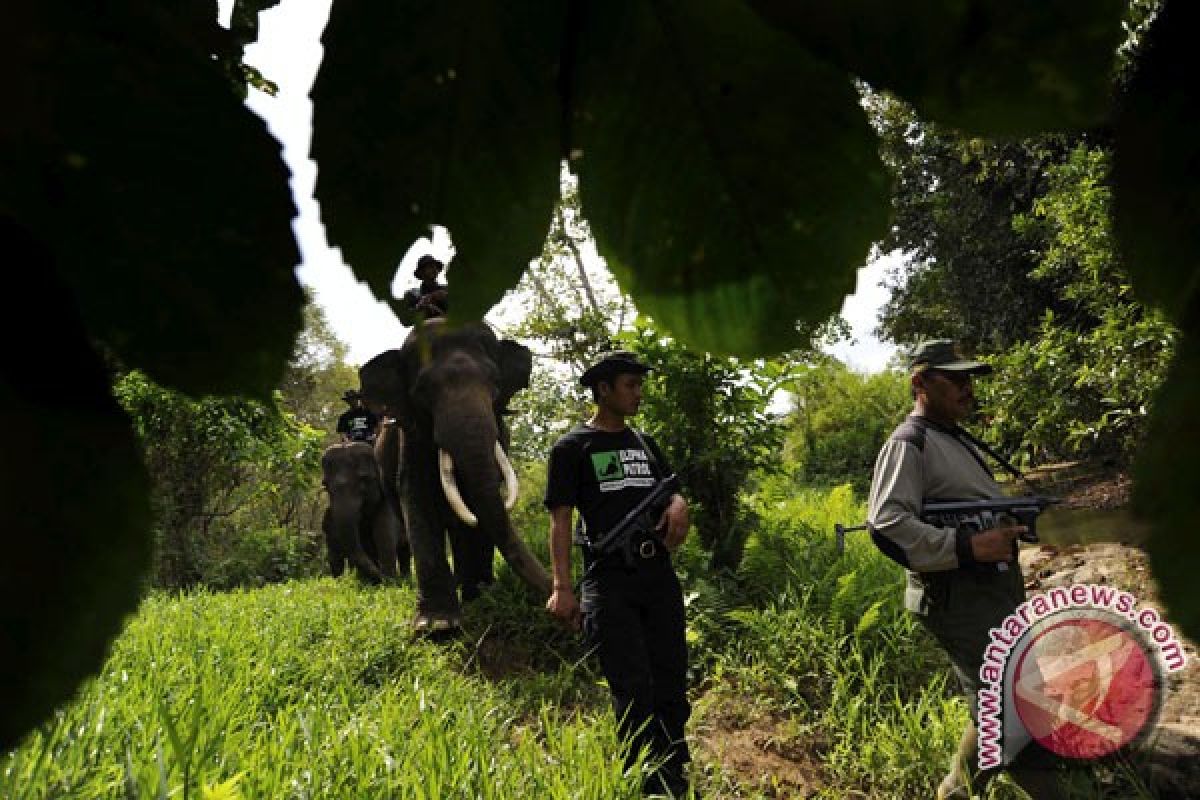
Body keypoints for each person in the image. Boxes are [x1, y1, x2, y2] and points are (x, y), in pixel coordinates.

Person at [867, 339, 1062, 799]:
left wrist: (1005, 523)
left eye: (968, 378)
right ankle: (961, 790)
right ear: (920, 382)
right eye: (954, 378)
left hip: (993, 589)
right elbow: (887, 526)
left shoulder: (954, 438)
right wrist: (970, 545)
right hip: (957, 595)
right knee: (1008, 700)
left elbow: (963, 509)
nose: (966, 387)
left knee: (1019, 694)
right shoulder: (908, 443)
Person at [544, 351, 693, 797]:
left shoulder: (645, 444)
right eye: (630, 384)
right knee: (631, 685)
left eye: (639, 384)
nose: (638, 393)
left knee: (671, 674)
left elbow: (672, 491)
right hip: (609, 581)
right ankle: (644, 778)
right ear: (603, 390)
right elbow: (561, 520)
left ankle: (673, 768)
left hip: (658, 575)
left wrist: (679, 505)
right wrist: (562, 588)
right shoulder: (572, 448)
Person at [402, 254, 448, 320]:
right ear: (421, 272)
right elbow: (406, 319)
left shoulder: (446, 289)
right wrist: (421, 305)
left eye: (436, 267)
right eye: (430, 267)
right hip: (427, 328)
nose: (435, 269)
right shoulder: (413, 294)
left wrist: (446, 297)